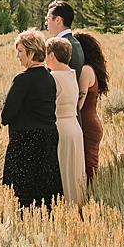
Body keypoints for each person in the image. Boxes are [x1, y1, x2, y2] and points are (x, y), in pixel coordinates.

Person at [0, 31, 62, 206]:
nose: (17, 56)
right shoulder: (49, 78)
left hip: (25, 142)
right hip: (48, 138)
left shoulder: (22, 80)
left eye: (20, 51)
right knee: (45, 189)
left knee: (23, 192)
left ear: (32, 53)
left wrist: (2, 116)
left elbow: (7, 115)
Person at [46, 34, 87, 206]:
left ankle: (63, 208)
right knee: (74, 171)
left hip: (60, 127)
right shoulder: (71, 74)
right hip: (74, 127)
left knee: (62, 170)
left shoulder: (53, 77)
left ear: (52, 56)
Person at [76, 30, 109, 183]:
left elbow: (79, 104)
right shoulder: (91, 69)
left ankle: (92, 202)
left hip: (87, 125)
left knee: (89, 170)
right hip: (91, 123)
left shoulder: (85, 70)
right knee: (89, 168)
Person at [44, 0, 85, 75]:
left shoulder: (59, 46)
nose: (46, 23)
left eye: (48, 19)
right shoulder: (77, 44)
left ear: (58, 20)